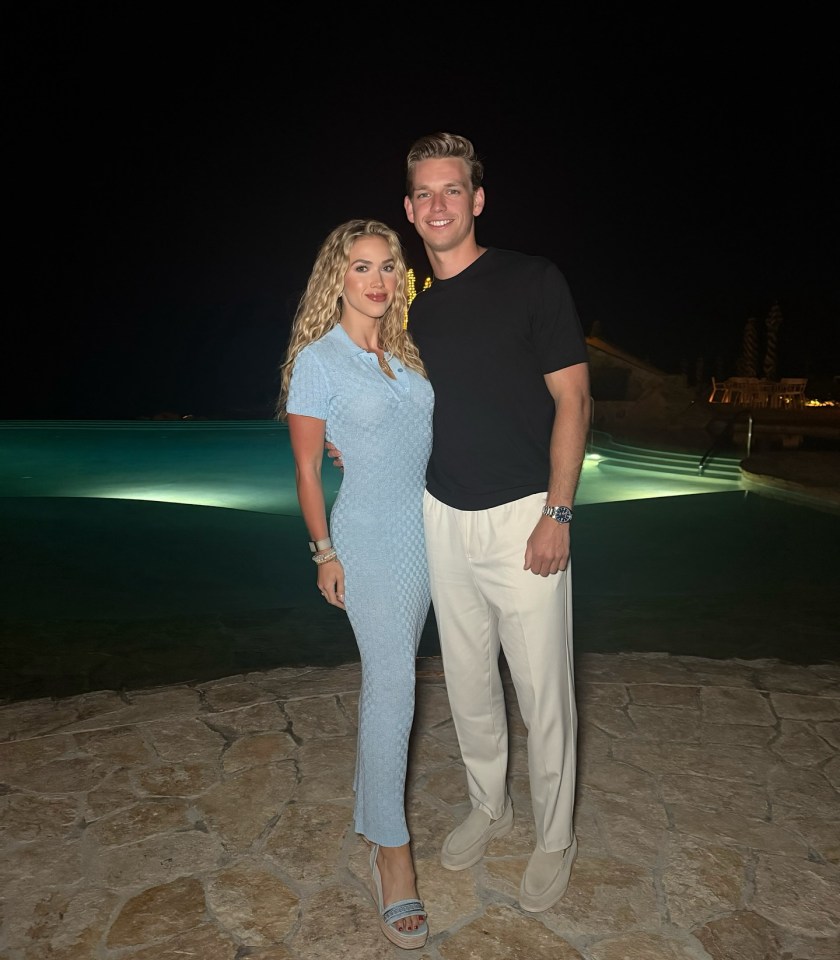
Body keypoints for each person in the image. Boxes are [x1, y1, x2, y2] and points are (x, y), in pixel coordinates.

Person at [332, 133, 591, 912]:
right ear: (409, 210)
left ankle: (555, 834)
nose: (438, 205)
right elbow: (396, 407)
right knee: (471, 687)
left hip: (525, 517)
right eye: (424, 194)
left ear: (476, 200)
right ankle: (490, 805)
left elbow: (574, 401)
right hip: (440, 518)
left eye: (453, 190)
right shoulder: (409, 311)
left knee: (544, 692)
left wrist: (557, 512)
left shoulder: (532, 281)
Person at [276, 219, 433, 949]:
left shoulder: (405, 354)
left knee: (410, 680)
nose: (376, 280)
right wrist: (323, 553)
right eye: (360, 266)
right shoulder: (320, 360)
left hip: (435, 533)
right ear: (335, 279)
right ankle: (390, 852)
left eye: (387, 267)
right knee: (394, 684)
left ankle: (375, 805)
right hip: (370, 540)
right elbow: (309, 468)